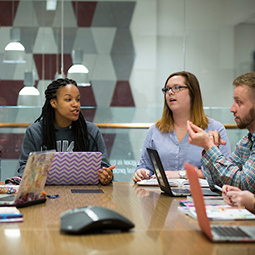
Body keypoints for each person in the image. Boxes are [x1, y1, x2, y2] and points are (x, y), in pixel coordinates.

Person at [133, 71, 231, 182]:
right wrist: (142, 172)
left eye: (176, 88)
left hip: (200, 197)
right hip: (162, 197)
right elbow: (145, 166)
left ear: (192, 93)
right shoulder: (155, 130)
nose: (170, 92)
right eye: (167, 89)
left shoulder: (215, 129)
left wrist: (182, 174)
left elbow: (225, 172)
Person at [17, 78, 115, 185]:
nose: (76, 104)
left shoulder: (91, 131)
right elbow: (24, 168)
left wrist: (106, 176)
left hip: (85, 194)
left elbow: (104, 167)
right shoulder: (35, 132)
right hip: (45, 193)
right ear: (54, 103)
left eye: (77, 99)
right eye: (68, 100)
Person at [187, 72, 255, 192]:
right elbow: (217, 182)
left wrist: (209, 146)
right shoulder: (245, 142)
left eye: (239, 102)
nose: (232, 109)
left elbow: (244, 184)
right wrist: (212, 148)